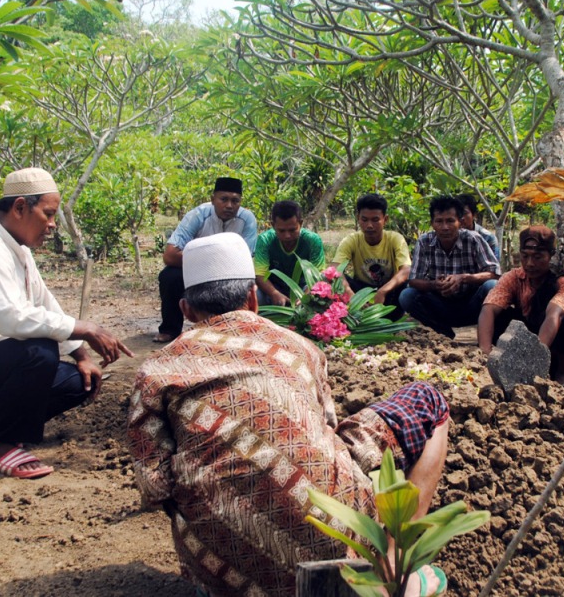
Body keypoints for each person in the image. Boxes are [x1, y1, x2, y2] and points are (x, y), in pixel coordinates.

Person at [128, 233, 450, 597]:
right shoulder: (300, 349)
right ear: (253, 298)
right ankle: (396, 561)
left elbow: (153, 487)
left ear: (186, 310)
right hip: (342, 550)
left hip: (224, 573)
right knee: (427, 399)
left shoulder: (156, 370)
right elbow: (325, 433)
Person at [0, 168, 133, 479]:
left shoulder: (17, 250)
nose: (53, 225)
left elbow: (44, 303)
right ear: (19, 208)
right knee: (38, 349)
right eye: (48, 214)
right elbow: (11, 319)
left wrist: (82, 356)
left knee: (77, 383)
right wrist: (86, 328)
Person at [477, 226, 564, 383]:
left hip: (559, 348)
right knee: (500, 316)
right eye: (525, 256)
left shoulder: (563, 281)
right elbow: (489, 308)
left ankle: (563, 374)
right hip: (528, 338)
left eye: (538, 257)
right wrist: (485, 352)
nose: (530, 263)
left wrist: (534, 360)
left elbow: (553, 315)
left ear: (551, 256)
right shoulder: (514, 277)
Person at [155, 177, 257, 343]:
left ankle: (236, 328)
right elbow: (170, 255)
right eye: (223, 199)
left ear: (240, 202)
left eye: (235, 201)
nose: (229, 205)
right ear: (212, 199)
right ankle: (170, 329)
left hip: (228, 273)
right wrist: (209, 263)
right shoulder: (197, 215)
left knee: (245, 283)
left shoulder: (247, 219)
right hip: (196, 272)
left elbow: (245, 258)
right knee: (169, 276)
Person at [399, 195, 500, 339]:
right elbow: (413, 280)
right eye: (439, 221)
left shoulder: (473, 239)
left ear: (460, 222)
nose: (445, 227)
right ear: (432, 223)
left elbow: (495, 274)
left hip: (471, 304)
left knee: (492, 286)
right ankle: (443, 333)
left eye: (450, 221)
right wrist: (434, 285)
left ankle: (488, 335)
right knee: (407, 295)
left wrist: (463, 278)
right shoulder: (424, 242)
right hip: (440, 305)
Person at [333, 193, 412, 311]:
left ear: (385, 220)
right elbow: (335, 269)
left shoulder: (395, 239)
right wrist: (351, 296)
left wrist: (382, 291)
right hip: (361, 290)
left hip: (389, 292)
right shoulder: (351, 240)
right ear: (358, 218)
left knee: (405, 287)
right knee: (333, 279)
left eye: (375, 220)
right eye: (364, 219)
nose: (369, 225)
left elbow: (406, 270)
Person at [254, 200, 326, 306]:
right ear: (273, 225)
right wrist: (274, 293)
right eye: (281, 231)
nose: (287, 236)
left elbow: (319, 275)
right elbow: (260, 275)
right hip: (274, 287)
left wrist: (305, 297)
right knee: (253, 294)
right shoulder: (265, 240)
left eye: (292, 230)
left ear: (300, 224)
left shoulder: (312, 240)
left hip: (304, 288)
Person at [456, 193, 500, 260]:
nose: (461, 217)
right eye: (458, 213)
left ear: (474, 215)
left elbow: (494, 266)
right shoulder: (449, 236)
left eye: (464, 213)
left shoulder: (488, 238)